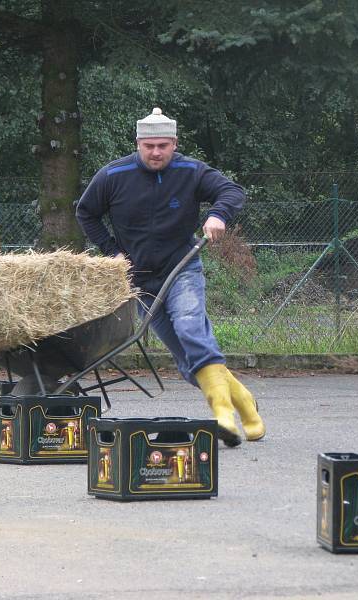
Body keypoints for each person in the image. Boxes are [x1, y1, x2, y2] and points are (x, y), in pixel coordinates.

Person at [75, 107, 265, 447]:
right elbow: (85, 212)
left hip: (181, 269)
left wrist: (219, 214)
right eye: (149, 146)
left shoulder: (191, 171)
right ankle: (246, 404)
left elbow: (232, 191)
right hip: (139, 280)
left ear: (175, 144)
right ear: (138, 144)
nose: (156, 152)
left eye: (163, 145)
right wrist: (111, 250)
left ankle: (223, 417)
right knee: (187, 360)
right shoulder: (113, 175)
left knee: (192, 328)